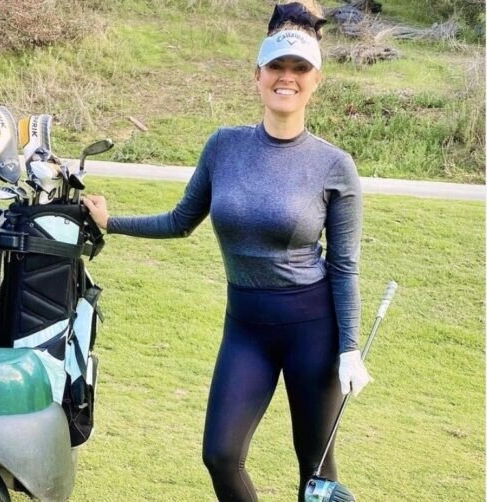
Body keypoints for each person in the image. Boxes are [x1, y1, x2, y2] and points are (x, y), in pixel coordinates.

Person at [82, 1, 370, 500]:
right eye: (276, 66)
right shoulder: (224, 147)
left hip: (313, 329)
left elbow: (344, 267)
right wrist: (112, 222)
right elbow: (180, 221)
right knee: (221, 454)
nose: (287, 77)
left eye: (300, 68)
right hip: (246, 327)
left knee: (316, 470)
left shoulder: (333, 165)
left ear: (316, 80)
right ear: (257, 75)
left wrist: (348, 349)